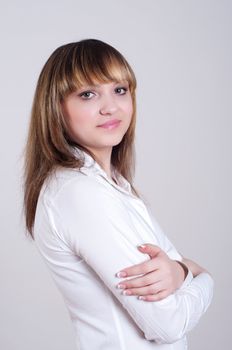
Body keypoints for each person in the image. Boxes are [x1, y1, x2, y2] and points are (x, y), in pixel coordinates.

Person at [23, 39, 214, 349]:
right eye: (87, 94)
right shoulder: (79, 192)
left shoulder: (113, 186)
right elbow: (168, 323)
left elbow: (173, 267)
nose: (110, 107)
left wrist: (178, 271)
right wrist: (203, 278)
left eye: (120, 90)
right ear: (56, 108)